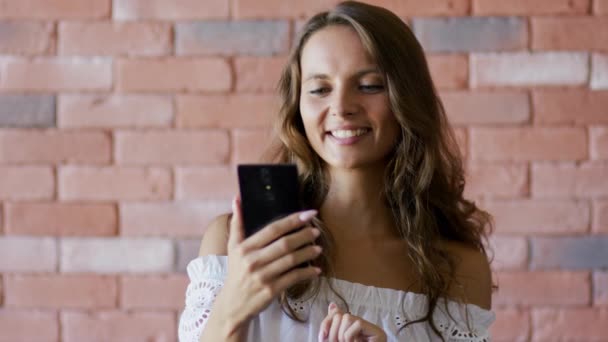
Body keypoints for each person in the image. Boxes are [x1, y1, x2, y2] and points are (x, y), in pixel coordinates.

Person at [178, 1, 495, 341]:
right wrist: (233, 304)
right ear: (297, 106)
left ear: (407, 98)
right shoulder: (235, 243)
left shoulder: (459, 269)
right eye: (320, 89)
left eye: (370, 85)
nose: (342, 107)